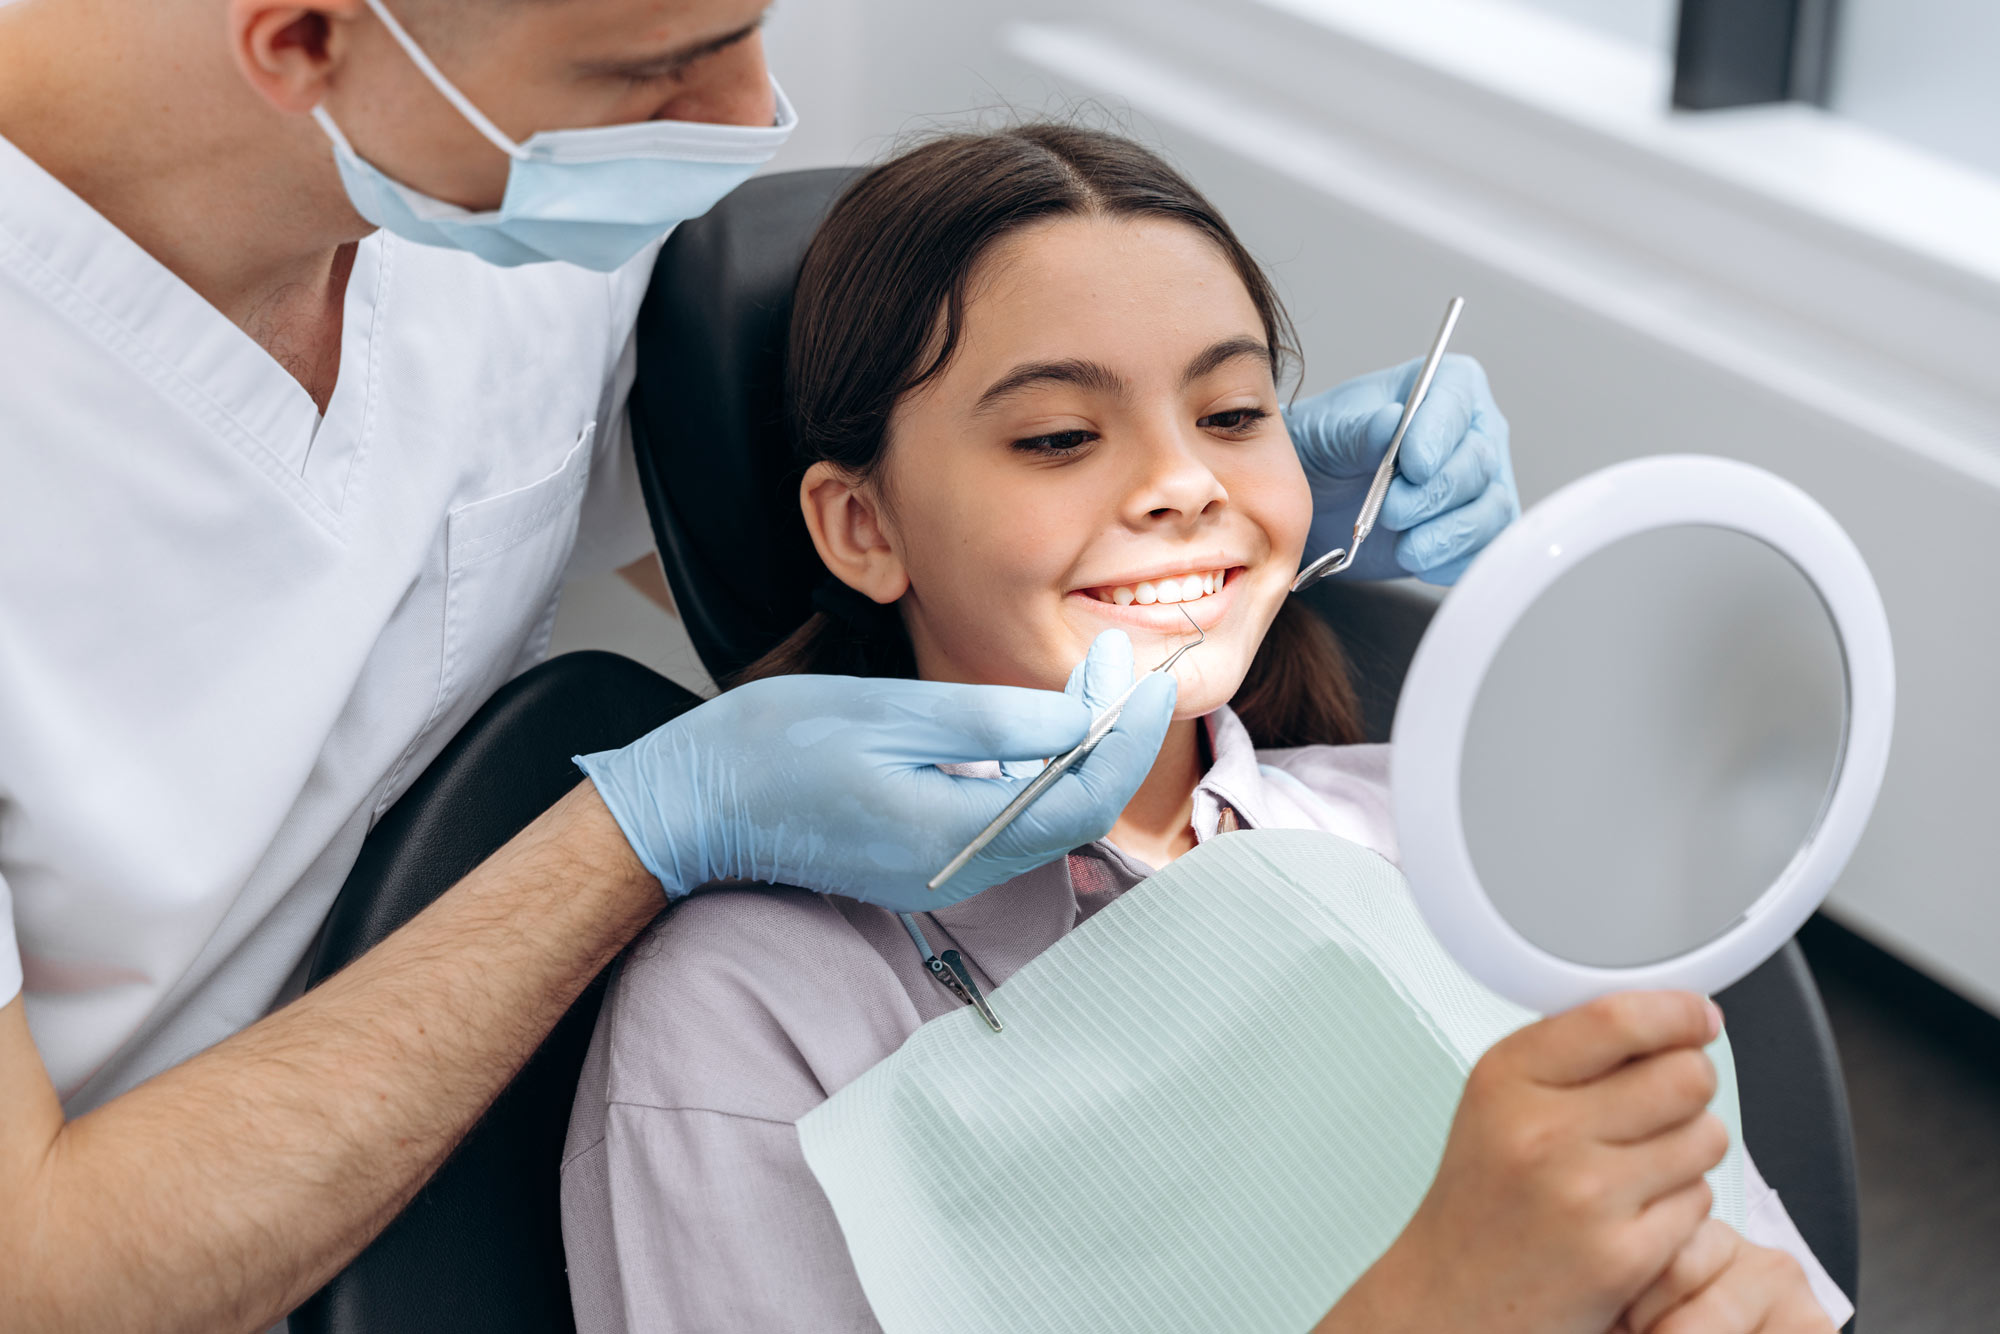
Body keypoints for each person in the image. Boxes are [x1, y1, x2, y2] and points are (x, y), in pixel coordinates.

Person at [0, 0, 1518, 1328]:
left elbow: (787, 551)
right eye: (659, 66)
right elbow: (48, 1274)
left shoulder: (505, 220)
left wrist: (1225, 518)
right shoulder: (751, 1021)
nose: (749, 124)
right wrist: (645, 824)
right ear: (303, 38)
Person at [559, 124, 1852, 1334]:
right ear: (864, 526)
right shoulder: (752, 1005)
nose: (1184, 480)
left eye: (1234, 414)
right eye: (1062, 435)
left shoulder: (1441, 836)